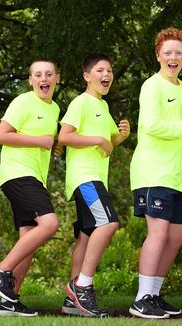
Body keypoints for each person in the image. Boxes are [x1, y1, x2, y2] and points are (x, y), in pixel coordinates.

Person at [129, 27, 182, 319]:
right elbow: (152, 125)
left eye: (178, 53)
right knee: (157, 233)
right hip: (152, 173)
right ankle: (141, 297)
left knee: (177, 234)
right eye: (167, 52)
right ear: (158, 56)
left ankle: (154, 295)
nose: (173, 57)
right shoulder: (151, 85)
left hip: (179, 175)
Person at [0, 59, 61, 317]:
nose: (43, 79)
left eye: (48, 74)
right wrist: (40, 141)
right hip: (17, 174)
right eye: (38, 75)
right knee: (49, 224)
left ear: (57, 78)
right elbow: (3, 135)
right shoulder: (23, 102)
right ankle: (0, 271)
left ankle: (9, 301)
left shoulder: (54, 108)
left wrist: (51, 145)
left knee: (28, 239)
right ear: (30, 80)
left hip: (34, 176)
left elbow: (43, 142)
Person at [58, 53, 130, 317]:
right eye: (100, 70)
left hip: (94, 177)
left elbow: (109, 143)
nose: (106, 75)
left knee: (86, 236)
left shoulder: (102, 106)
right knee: (108, 223)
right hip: (84, 177)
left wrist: (122, 135)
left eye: (109, 70)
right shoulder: (81, 103)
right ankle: (82, 286)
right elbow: (64, 136)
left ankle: (72, 304)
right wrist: (99, 140)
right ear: (87, 76)